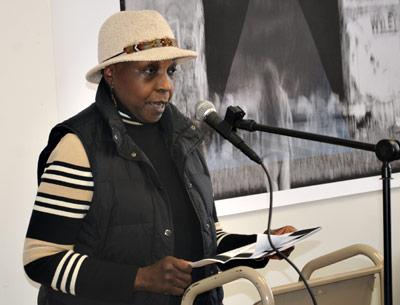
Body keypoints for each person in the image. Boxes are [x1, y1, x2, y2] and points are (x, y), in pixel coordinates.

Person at [23, 10, 295, 305]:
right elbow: (42, 259)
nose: (166, 85)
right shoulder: (79, 146)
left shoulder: (186, 139)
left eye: (170, 71)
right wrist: (139, 278)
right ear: (111, 73)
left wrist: (260, 246)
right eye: (150, 71)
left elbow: (209, 240)